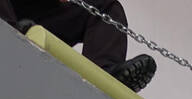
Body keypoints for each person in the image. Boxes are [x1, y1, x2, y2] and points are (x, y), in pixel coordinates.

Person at [1, 0, 157, 92]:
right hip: (8, 21)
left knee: (105, 5)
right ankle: (11, 34)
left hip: (34, 23)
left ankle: (105, 76)